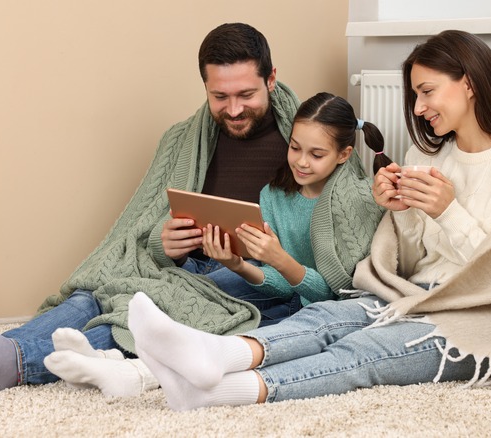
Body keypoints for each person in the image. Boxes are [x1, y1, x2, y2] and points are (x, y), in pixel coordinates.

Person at [126, 29, 491, 411]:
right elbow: (409, 262)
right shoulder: (432, 158)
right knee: (329, 317)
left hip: (484, 318)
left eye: (428, 91)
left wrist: (446, 210)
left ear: (470, 85)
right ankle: (219, 356)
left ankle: (224, 388)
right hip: (417, 293)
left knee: (369, 349)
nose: (420, 106)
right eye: (415, 94)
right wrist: (403, 213)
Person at [0, 23, 383, 390]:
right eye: (220, 96)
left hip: (252, 275)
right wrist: (164, 244)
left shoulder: (305, 140)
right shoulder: (182, 141)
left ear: (272, 79)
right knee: (100, 292)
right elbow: (144, 229)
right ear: (205, 88)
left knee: (143, 305)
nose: (233, 108)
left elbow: (331, 251)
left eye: (246, 94)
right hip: (195, 262)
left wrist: (248, 258)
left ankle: (13, 361)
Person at [41, 92, 387, 397]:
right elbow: (281, 286)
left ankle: (127, 369)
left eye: (316, 154)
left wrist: (281, 260)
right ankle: (106, 355)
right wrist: (240, 264)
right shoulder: (274, 195)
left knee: (225, 327)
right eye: (295, 147)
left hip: (311, 311)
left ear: (343, 155)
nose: (300, 161)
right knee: (184, 292)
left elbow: (336, 297)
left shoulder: (354, 201)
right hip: (283, 297)